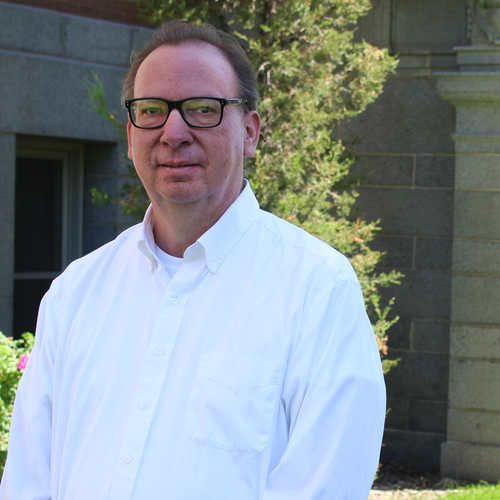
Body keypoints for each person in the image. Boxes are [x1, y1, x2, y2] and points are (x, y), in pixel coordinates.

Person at [0, 21, 386, 500]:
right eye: (152, 111)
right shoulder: (76, 292)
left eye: (203, 109)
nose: (173, 131)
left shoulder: (318, 290)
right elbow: (27, 481)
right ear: (130, 133)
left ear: (250, 132)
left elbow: (325, 487)